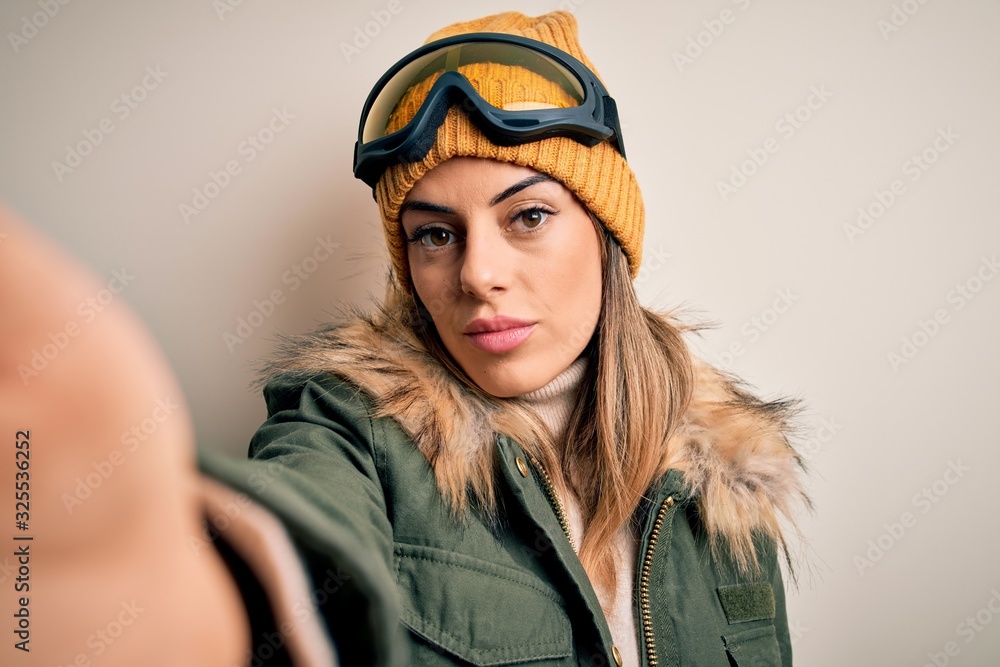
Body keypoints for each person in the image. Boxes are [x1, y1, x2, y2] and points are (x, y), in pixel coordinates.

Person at [1, 10, 808, 667]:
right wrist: (141, 586)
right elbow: (292, 541)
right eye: (434, 234)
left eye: (527, 216)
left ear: (606, 234)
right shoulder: (350, 431)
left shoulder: (727, 489)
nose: (477, 274)